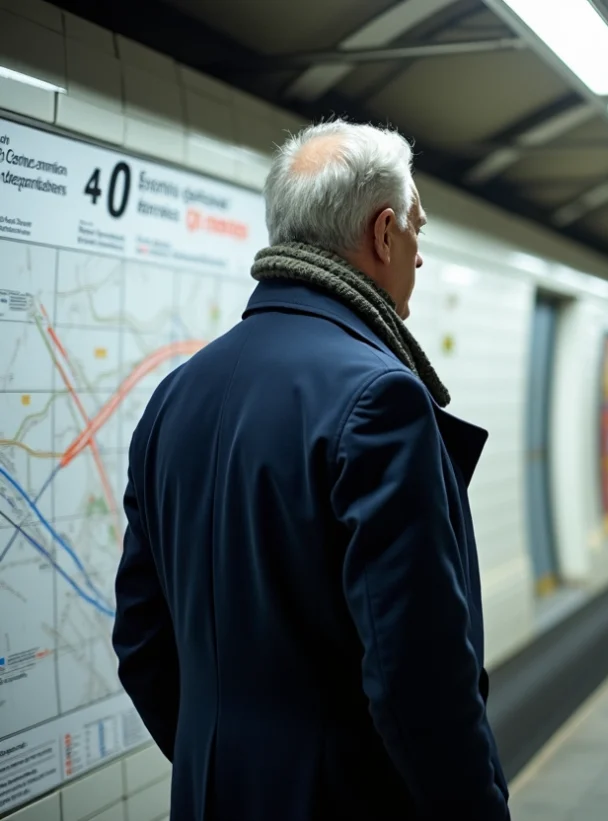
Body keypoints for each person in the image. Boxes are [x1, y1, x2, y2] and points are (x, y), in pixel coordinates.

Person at [112, 121, 510, 820]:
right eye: (416, 228)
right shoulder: (379, 399)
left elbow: (143, 638)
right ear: (383, 234)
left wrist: (236, 759)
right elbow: (416, 679)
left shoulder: (174, 397)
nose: (419, 254)